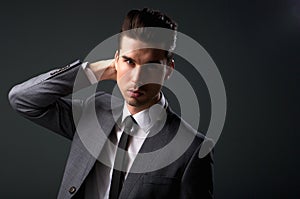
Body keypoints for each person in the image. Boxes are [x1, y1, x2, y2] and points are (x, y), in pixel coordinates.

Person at [8, 8, 214, 199]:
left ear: (168, 70)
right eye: (129, 62)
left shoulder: (192, 148)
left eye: (151, 66)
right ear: (116, 60)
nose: (137, 79)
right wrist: (92, 72)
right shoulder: (94, 111)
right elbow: (23, 99)